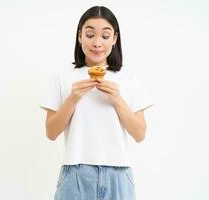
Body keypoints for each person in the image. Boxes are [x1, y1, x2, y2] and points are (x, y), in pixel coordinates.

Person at [41, 6, 152, 200]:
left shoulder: (128, 79)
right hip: (75, 173)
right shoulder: (62, 78)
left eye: (105, 36)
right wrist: (73, 98)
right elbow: (51, 132)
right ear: (80, 36)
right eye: (90, 34)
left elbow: (139, 134)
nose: (97, 43)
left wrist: (117, 99)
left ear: (115, 39)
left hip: (118, 174)